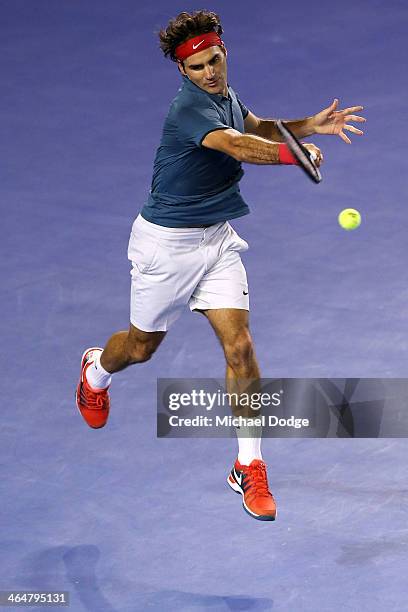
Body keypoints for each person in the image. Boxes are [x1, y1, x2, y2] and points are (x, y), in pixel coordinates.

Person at [75, 10, 365, 521]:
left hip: (217, 241)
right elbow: (237, 146)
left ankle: (248, 464)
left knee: (241, 346)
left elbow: (255, 127)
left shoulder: (226, 97)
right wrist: (292, 156)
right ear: (183, 73)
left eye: (214, 61)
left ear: (224, 53)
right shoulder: (188, 110)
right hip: (165, 247)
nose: (209, 73)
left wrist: (304, 127)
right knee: (140, 349)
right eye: (197, 68)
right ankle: (97, 368)